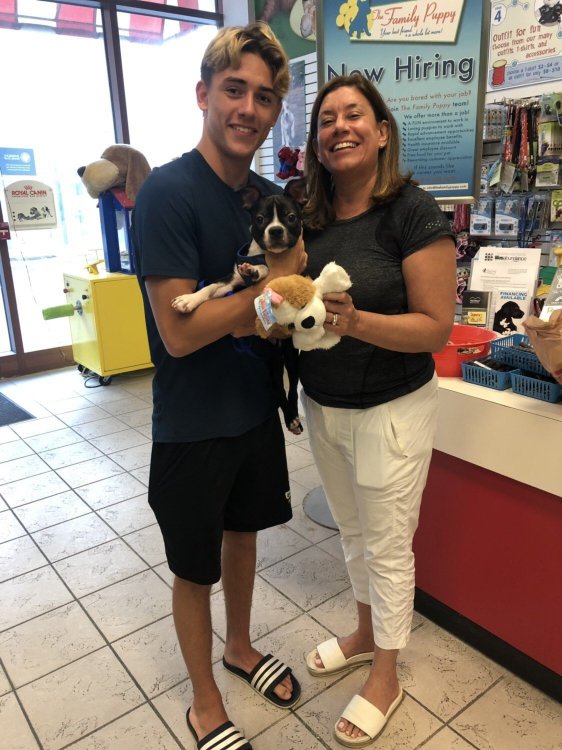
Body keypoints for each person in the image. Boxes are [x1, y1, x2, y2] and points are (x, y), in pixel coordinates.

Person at [131, 22, 306, 750]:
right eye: (234, 90)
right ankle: (204, 699)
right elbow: (180, 333)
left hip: (253, 410)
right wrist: (261, 309)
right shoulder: (167, 193)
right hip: (192, 423)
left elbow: (295, 299)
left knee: (244, 537)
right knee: (193, 565)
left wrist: (266, 311)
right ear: (204, 94)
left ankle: (240, 648)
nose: (249, 109)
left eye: (264, 97)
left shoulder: (271, 198)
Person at [300, 73, 456, 746]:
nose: (340, 126)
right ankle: (365, 632)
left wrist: (356, 322)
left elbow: (434, 328)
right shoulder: (307, 214)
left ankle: (386, 671)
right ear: (316, 140)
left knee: (388, 546)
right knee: (353, 533)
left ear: (382, 130)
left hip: (393, 408)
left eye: (354, 114)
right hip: (323, 404)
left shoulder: (412, 211)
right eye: (327, 118)